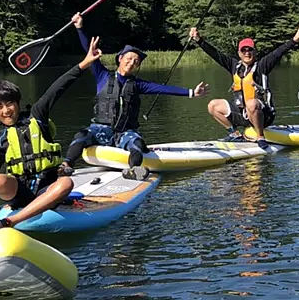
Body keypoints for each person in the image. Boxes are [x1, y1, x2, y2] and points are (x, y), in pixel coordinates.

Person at [0, 43, 98, 231]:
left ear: (17, 103)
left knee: (66, 183)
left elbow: (56, 89)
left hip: (47, 188)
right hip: (20, 192)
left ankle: (12, 222)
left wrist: (83, 64)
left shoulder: (37, 116)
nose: (6, 110)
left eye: (9, 103)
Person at [64, 13, 209, 180]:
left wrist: (191, 92)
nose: (132, 63)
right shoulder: (102, 75)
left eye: (136, 61)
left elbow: (163, 88)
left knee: (137, 143)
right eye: (129, 58)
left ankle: (133, 170)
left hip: (125, 132)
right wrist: (80, 28)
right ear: (120, 59)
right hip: (101, 129)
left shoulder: (138, 85)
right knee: (81, 135)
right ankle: (67, 165)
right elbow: (88, 52)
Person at [190, 23, 299, 148]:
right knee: (213, 105)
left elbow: (277, 53)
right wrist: (199, 40)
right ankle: (235, 134)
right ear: (239, 53)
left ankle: (260, 136)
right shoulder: (233, 65)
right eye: (244, 50)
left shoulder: (263, 65)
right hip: (243, 113)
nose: (247, 53)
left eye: (250, 50)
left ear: (254, 51)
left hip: (263, 115)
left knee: (252, 103)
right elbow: (215, 54)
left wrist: (294, 40)